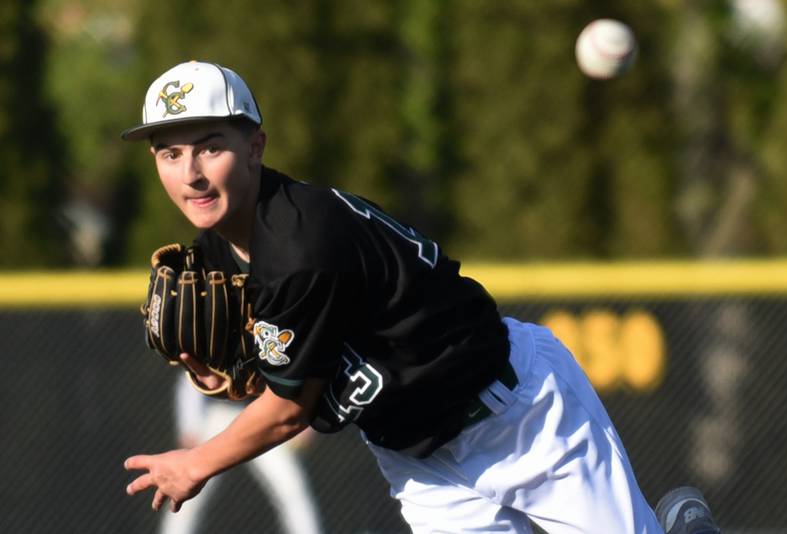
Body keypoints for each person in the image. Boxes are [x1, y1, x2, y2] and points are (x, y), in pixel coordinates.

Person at [120, 60, 695, 533]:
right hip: (422, 465)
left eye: (209, 146)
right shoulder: (216, 255)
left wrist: (197, 461)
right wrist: (231, 373)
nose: (191, 172)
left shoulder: (299, 241)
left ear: (255, 146)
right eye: (170, 153)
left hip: (519, 419)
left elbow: (288, 411)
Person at [158, 375, 322, 534]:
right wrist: (190, 426)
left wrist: (303, 415)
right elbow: (191, 378)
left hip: (264, 419)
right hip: (220, 417)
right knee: (187, 489)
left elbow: (294, 373)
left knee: (292, 489)